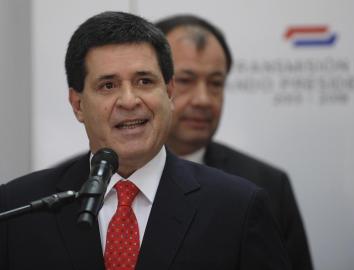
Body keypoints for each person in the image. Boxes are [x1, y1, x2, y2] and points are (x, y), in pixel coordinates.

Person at [0, 11, 291, 270]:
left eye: (144, 81)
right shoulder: (18, 207)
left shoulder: (238, 207)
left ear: (169, 92)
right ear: (77, 104)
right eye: (108, 85)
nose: (129, 100)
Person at [155, 15, 313, 270]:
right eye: (185, 80)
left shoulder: (267, 185)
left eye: (216, 83)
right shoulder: (99, 179)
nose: (203, 99)